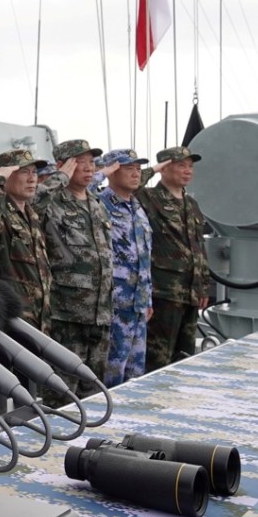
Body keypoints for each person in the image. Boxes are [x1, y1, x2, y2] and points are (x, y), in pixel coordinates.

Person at [35, 139, 114, 403]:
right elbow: (30, 204)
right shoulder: (51, 201)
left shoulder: (97, 204)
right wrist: (58, 178)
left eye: (92, 162)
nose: (89, 168)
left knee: (93, 390)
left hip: (100, 313)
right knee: (61, 391)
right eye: (80, 162)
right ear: (63, 166)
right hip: (66, 313)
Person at [136, 146, 209, 371]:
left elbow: (198, 247)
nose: (188, 171)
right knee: (158, 359)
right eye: (181, 165)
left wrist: (204, 286)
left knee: (186, 357)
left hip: (190, 293)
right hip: (164, 292)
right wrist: (154, 169)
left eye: (190, 167)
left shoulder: (192, 204)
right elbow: (131, 184)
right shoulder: (150, 197)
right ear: (165, 169)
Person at [0, 149, 52, 333]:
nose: (32, 178)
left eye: (34, 172)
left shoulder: (32, 215)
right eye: (23, 172)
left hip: (40, 320)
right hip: (11, 323)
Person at [97, 148, 153, 386]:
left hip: (138, 304)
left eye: (138, 169)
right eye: (128, 169)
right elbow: (72, 194)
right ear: (112, 172)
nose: (136, 174)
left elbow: (144, 256)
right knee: (112, 373)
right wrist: (101, 173)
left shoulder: (138, 208)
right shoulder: (100, 203)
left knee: (135, 374)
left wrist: (148, 298)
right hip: (114, 304)